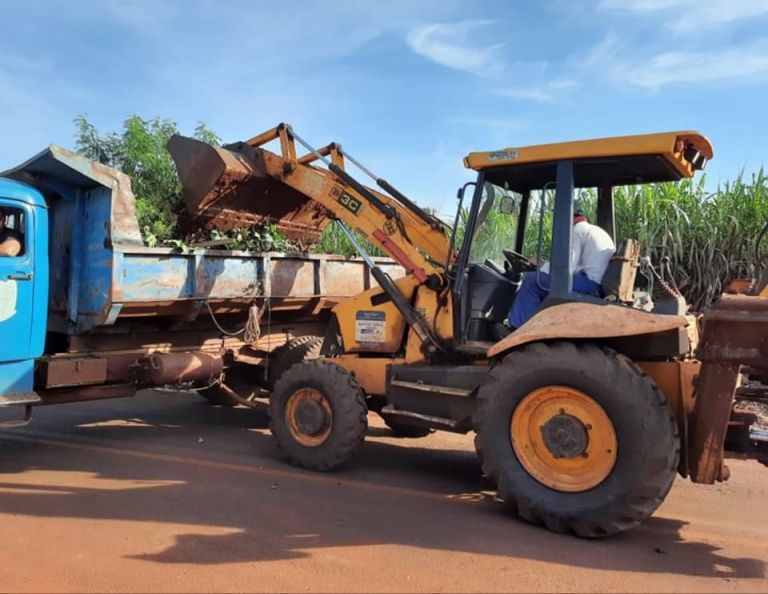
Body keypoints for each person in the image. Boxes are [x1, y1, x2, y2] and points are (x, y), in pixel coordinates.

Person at [507, 209, 615, 328]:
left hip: (589, 284)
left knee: (531, 281)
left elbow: (568, 266)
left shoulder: (577, 230)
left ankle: (517, 328)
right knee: (541, 281)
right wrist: (544, 265)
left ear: (567, 218)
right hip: (596, 282)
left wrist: (541, 266)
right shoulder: (596, 231)